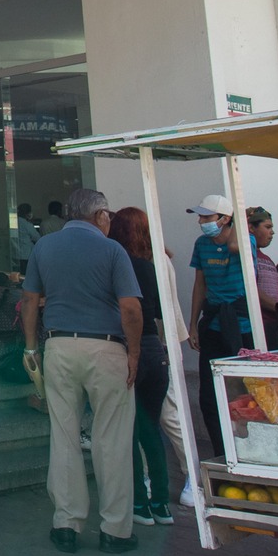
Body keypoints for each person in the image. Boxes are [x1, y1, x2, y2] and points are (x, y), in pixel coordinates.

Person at [21, 188, 144, 554]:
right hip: (106, 347)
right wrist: (134, 353)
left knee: (63, 435)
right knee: (113, 439)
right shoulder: (112, 250)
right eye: (108, 215)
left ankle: (66, 523)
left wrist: (31, 346)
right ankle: (115, 530)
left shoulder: (44, 247)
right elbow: (131, 309)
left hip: (58, 345)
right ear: (100, 216)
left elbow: (29, 300)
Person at [107, 206, 173, 528]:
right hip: (155, 348)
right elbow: (160, 309)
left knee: (128, 430)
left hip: (128, 346)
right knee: (151, 427)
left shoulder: (117, 262)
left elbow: (126, 309)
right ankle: (162, 503)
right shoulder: (153, 264)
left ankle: (138, 503)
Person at [186, 194, 252, 451]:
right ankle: (220, 451)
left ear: (225, 219)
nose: (202, 221)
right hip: (212, 322)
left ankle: (245, 449)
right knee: (209, 396)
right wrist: (193, 324)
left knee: (243, 392)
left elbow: (235, 248)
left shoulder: (244, 241)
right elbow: (199, 284)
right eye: (200, 217)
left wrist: (239, 219)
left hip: (241, 326)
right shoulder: (201, 244)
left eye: (207, 217)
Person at [12, 203, 41, 271]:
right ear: (27, 213)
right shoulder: (27, 224)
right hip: (26, 256)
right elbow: (37, 238)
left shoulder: (13, 222)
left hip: (14, 255)